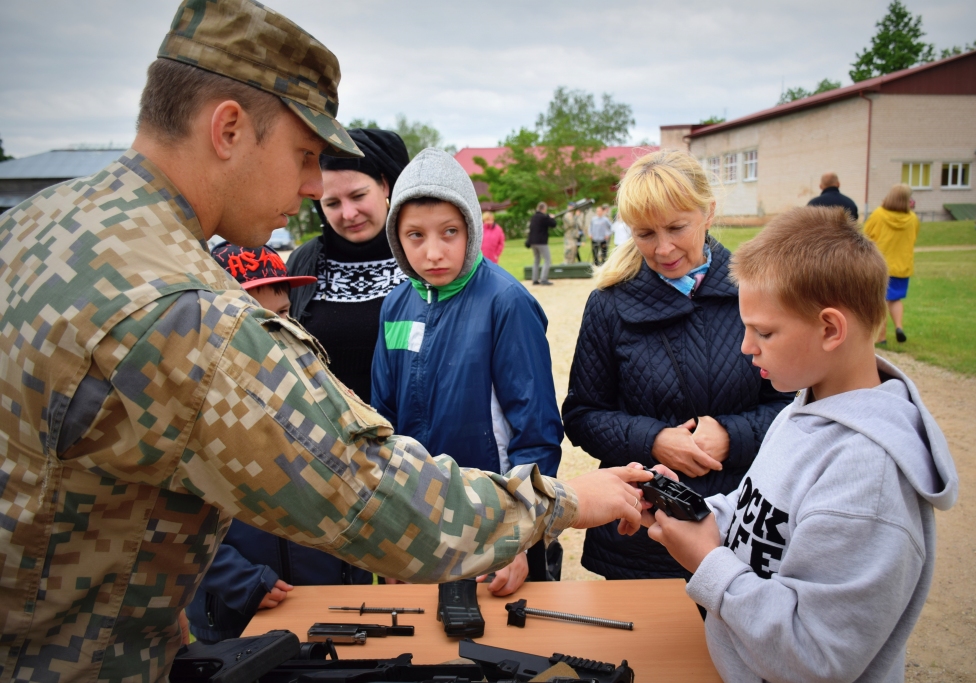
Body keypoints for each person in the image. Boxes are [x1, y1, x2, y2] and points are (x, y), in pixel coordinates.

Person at [0, 2, 653, 679]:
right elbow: (364, 490)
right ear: (228, 129)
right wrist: (563, 501)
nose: (316, 187)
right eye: (305, 156)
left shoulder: (37, 227)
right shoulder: (186, 312)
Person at [645, 206, 958, 683]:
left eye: (764, 332)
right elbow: (758, 513)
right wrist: (694, 511)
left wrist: (708, 563)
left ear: (830, 329)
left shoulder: (868, 480)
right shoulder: (804, 406)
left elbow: (815, 658)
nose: (746, 346)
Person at [562, 150, 794, 583]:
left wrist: (732, 436)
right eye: (645, 233)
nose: (663, 248)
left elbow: (792, 406)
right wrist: (654, 440)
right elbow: (582, 415)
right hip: (640, 534)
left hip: (739, 526)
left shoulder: (758, 292)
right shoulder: (608, 304)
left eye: (676, 228)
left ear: (708, 213)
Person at [371, 149, 565, 596]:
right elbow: (382, 425)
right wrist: (387, 530)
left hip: (492, 524)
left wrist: (518, 538)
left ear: (472, 228)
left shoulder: (507, 302)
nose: (433, 252)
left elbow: (536, 433)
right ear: (396, 238)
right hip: (415, 520)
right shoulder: (395, 305)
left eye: (450, 232)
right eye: (415, 235)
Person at [187, 242, 373, 643]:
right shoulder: (190, 405)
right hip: (238, 615)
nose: (274, 330)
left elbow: (360, 483)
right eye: (254, 317)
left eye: (283, 313)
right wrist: (239, 580)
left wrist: (359, 569)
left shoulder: (324, 390)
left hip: (329, 603)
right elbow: (169, 518)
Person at [286, 128, 410, 403]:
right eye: (332, 203)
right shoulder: (304, 263)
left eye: (358, 196)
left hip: (414, 427)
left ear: (384, 185)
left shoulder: (421, 255)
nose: (349, 214)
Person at [864, 184, 921, 345]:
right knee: (895, 299)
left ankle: (881, 337)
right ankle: (899, 327)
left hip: (880, 265)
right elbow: (913, 238)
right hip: (902, 266)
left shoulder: (878, 215)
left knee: (880, 300)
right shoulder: (912, 219)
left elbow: (866, 236)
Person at [527, 201, 556, 285]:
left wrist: (548, 217)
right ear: (544, 209)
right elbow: (553, 224)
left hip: (533, 242)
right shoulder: (544, 217)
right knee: (547, 260)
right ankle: (543, 279)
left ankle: (535, 279)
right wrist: (551, 218)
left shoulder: (533, 217)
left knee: (536, 260)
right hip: (541, 242)